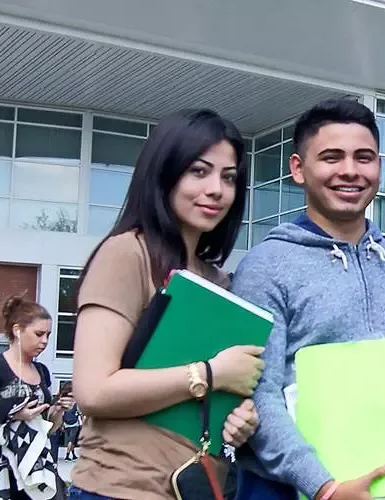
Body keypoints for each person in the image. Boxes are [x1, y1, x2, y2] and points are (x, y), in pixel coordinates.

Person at [69, 108, 265, 500]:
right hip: (118, 489)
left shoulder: (220, 282)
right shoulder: (127, 253)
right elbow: (92, 390)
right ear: (164, 172)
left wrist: (238, 420)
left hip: (194, 489)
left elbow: (207, 401)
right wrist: (210, 374)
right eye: (199, 171)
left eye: (228, 178)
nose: (216, 190)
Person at [234, 98, 385, 500]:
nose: (350, 171)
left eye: (364, 157)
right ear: (298, 168)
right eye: (332, 157)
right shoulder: (266, 266)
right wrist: (324, 487)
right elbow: (258, 392)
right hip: (285, 490)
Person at [0, 296, 66, 500]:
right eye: (39, 334)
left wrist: (58, 411)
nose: (44, 341)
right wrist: (13, 414)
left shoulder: (42, 371)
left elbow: (46, 426)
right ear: (17, 330)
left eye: (48, 334)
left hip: (36, 470)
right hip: (0, 472)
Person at [57, 389, 81, 461]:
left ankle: (73, 455)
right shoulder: (76, 404)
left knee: (71, 440)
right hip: (74, 424)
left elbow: (62, 414)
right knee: (71, 441)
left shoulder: (65, 403)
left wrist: (62, 424)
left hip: (66, 424)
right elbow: (79, 413)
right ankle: (67, 455)